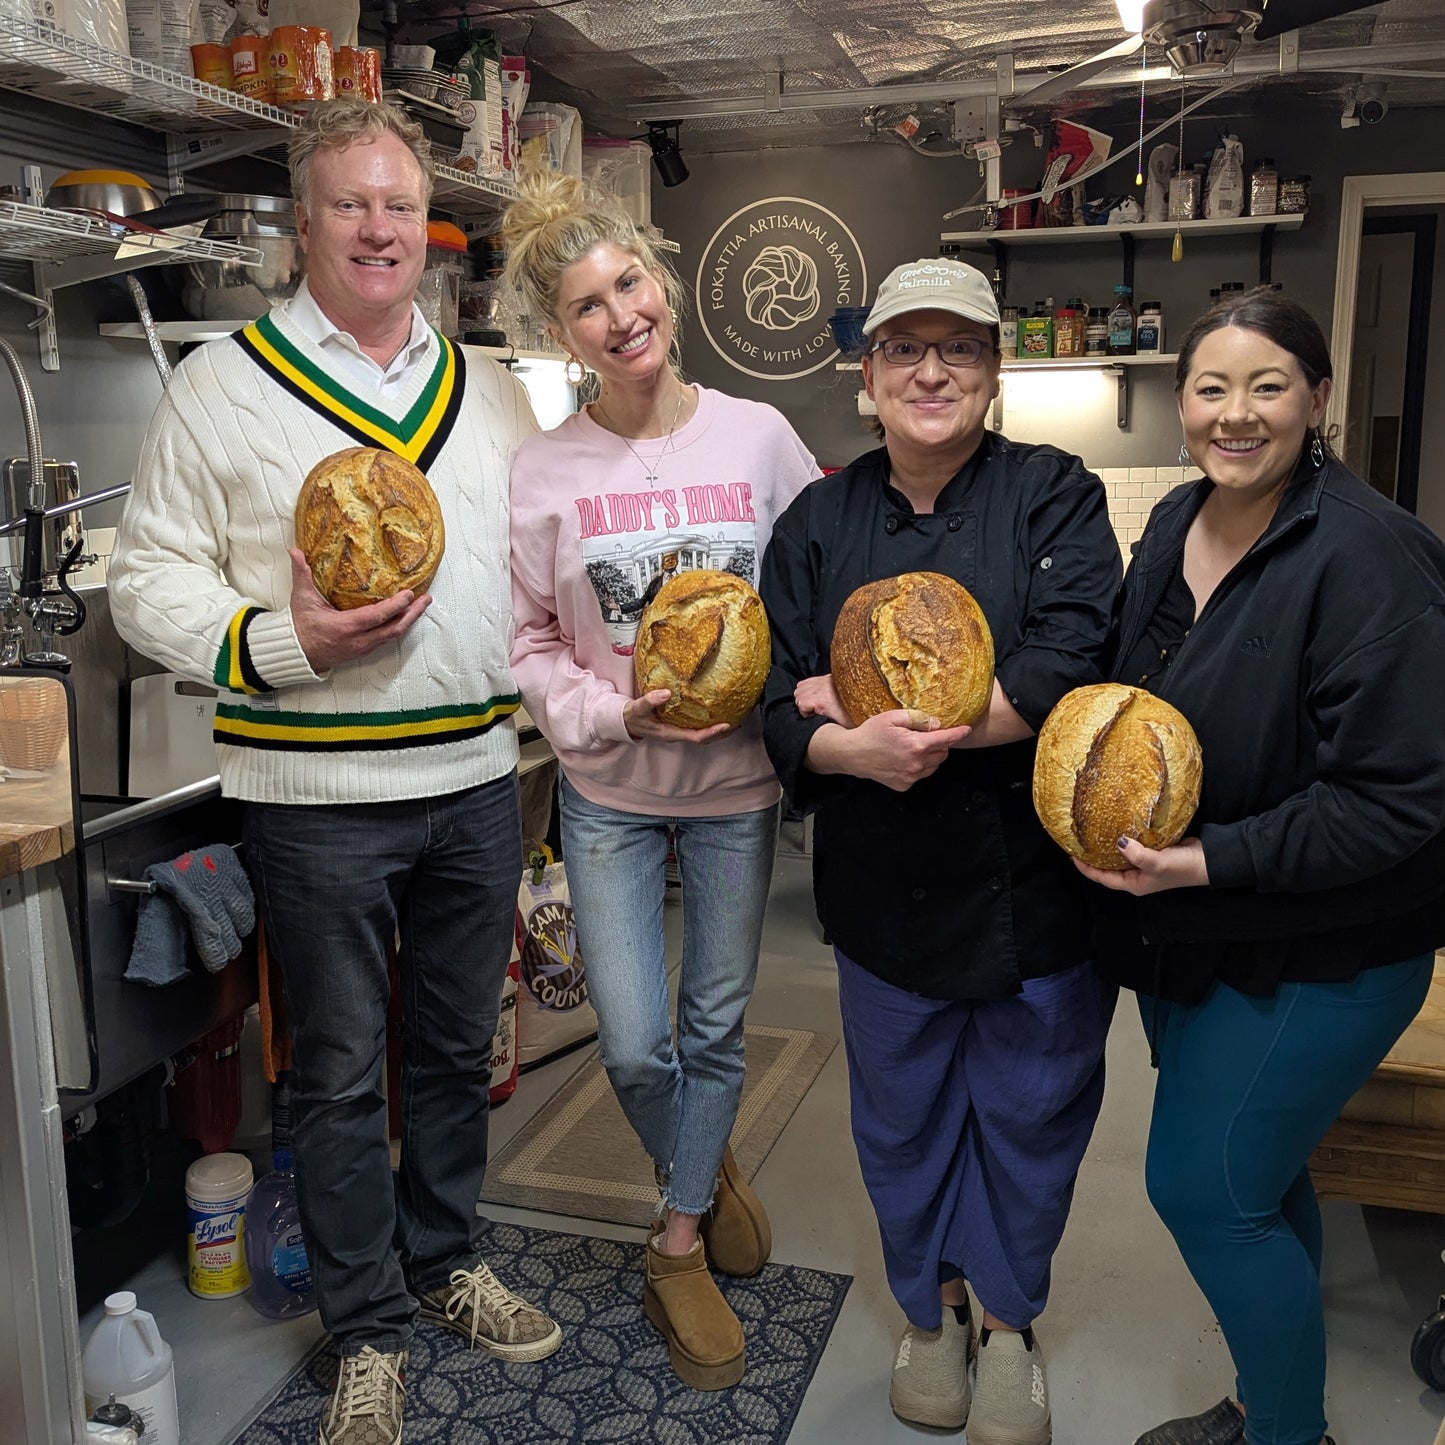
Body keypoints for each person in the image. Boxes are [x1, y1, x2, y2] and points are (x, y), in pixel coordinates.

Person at [108, 99, 561, 1445]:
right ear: (301, 225)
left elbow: (536, 562)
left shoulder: (487, 388)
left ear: (427, 230)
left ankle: (446, 1258)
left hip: (478, 774)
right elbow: (145, 582)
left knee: (450, 1046)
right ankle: (367, 1323)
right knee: (335, 1063)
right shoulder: (220, 383)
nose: (378, 229)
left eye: (398, 206)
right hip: (312, 798)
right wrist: (275, 641)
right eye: (349, 204)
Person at [758, 257, 1121, 1445]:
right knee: (902, 1113)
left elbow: (1071, 652)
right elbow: (774, 693)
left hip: (1034, 881)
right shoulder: (818, 519)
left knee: (1029, 1108)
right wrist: (842, 751)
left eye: (956, 348)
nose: (929, 370)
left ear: (992, 369)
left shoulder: (1053, 495)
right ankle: (930, 1308)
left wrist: (894, 720)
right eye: (903, 349)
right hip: (881, 880)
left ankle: (1009, 1321)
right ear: (865, 375)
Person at [1077, 287, 1445, 1445]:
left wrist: (1202, 859)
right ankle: (1269, 1405)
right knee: (1262, 1178)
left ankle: (1289, 1438)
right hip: (1190, 930)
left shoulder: (1372, 559)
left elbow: (1397, 802)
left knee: (1200, 1187)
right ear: (1180, 402)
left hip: (1325, 947)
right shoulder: (1177, 516)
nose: (1234, 414)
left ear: (1318, 398)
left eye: (1267, 385)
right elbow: (1121, 693)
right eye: (1209, 387)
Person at [502, 170, 817, 1391]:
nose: (618, 315)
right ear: (559, 334)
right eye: (585, 306)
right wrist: (599, 708)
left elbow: (811, 590)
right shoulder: (543, 470)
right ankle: (705, 1160)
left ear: (660, 278)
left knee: (713, 1024)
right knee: (635, 1045)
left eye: (627, 282)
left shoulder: (758, 438)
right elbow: (528, 640)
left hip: (738, 788)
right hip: (612, 792)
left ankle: (675, 1241)